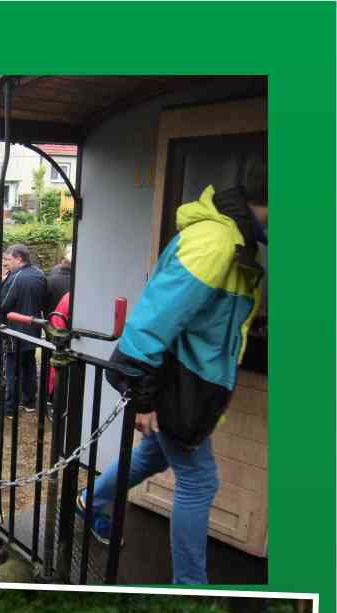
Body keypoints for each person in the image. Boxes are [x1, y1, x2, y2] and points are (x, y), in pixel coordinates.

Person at [85, 166, 265, 586]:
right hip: (175, 388)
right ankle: (190, 589)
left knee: (152, 455)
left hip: (193, 389)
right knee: (200, 481)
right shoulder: (216, 241)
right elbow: (151, 324)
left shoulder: (237, 241)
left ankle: (90, 501)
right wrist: (143, 401)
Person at [0, 244, 49, 416]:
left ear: (19, 259)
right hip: (33, 331)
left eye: (9, 260)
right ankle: (30, 402)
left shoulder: (15, 277)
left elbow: (3, 305)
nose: (7, 263)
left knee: (12, 369)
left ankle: (10, 408)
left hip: (15, 332)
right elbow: (43, 302)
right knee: (30, 365)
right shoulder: (40, 274)